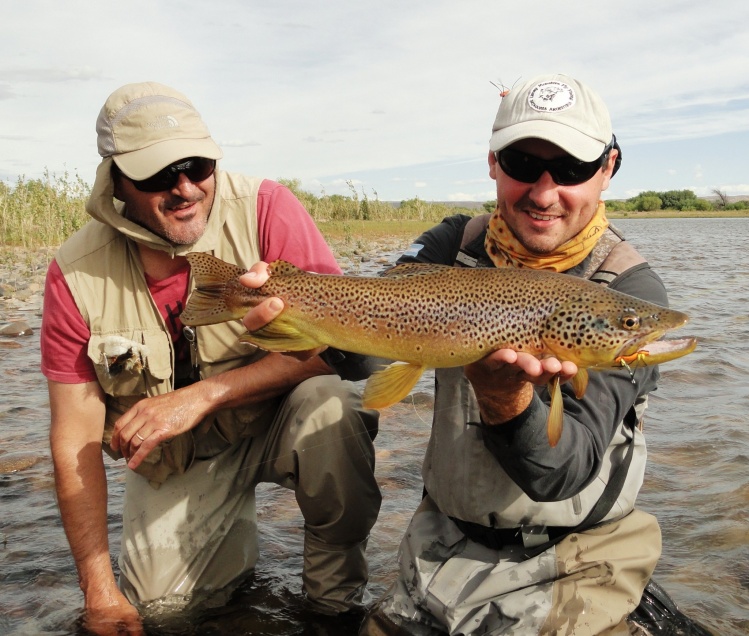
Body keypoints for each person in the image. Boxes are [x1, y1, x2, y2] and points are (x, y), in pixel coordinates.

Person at [242, 74, 700, 635]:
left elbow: (561, 474)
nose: (543, 192)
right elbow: (364, 360)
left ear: (608, 168)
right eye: (523, 163)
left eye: (574, 170)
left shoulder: (630, 296)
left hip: (573, 562)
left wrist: (504, 398)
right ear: (492, 163)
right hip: (443, 544)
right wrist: (293, 310)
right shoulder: (453, 243)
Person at [40, 81, 382, 634]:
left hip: (277, 421)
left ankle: (332, 605)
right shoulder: (76, 272)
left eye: (197, 166)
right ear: (117, 182)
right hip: (179, 462)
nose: (184, 189)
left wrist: (202, 397)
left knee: (333, 403)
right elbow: (72, 437)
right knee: (162, 613)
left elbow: (338, 351)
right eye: (157, 175)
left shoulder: (267, 208)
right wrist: (99, 593)